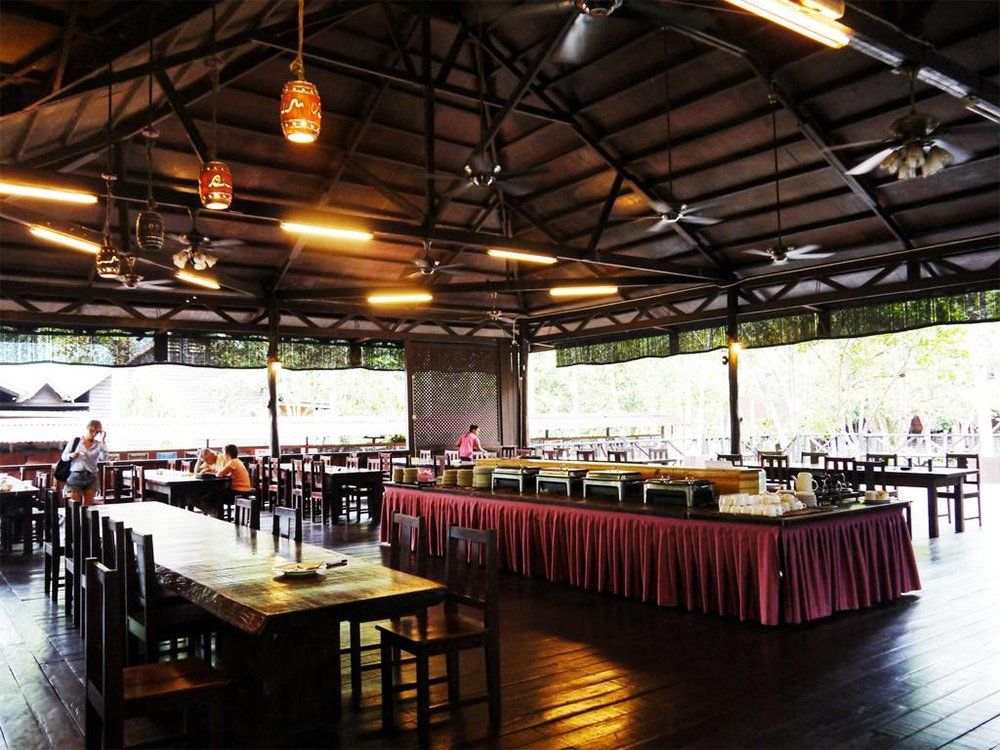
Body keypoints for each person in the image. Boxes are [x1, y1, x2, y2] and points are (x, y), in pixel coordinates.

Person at [61, 419, 108, 506]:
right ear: (87, 429)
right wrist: (72, 455)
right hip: (75, 475)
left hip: (91, 476)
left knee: (88, 508)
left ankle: (86, 520)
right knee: (74, 507)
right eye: (92, 430)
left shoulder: (98, 444)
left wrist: (103, 442)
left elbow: (104, 458)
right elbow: (64, 457)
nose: (94, 434)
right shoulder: (76, 441)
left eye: (97, 432)